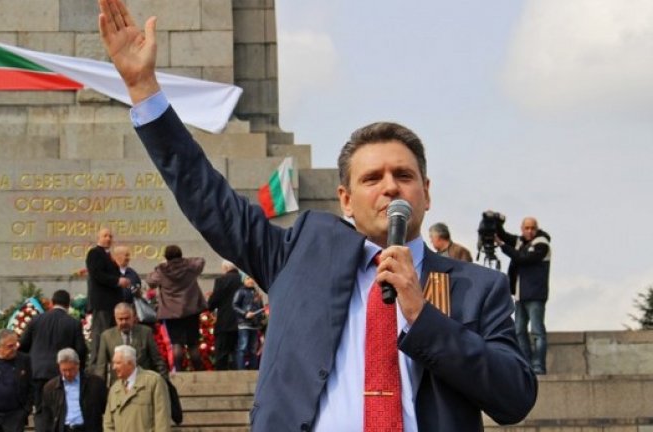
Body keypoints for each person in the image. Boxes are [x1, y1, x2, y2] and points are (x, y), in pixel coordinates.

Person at [97, 1, 538, 430]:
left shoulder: (477, 288)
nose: (390, 187)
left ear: (426, 193)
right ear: (345, 200)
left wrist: (422, 316)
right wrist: (144, 90)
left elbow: (514, 397)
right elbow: (207, 197)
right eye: (372, 178)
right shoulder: (300, 254)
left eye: (404, 176)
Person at [19, 290, 88, 432]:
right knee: (61, 410)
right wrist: (79, 371)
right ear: (68, 305)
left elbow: (23, 345)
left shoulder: (36, 320)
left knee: (41, 410)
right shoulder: (73, 323)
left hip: (38, 373)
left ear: (51, 302)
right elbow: (81, 350)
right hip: (62, 374)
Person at [496, 216, 552, 375]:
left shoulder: (542, 244)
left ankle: (538, 366)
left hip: (535, 295)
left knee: (537, 331)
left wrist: (502, 246)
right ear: (522, 229)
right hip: (520, 295)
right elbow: (504, 235)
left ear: (537, 229)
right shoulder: (521, 242)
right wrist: (497, 222)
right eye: (526, 228)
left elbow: (523, 258)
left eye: (532, 228)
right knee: (519, 330)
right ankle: (526, 364)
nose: (529, 231)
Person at [147, 245, 206, 372]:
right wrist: (184, 260)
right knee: (193, 344)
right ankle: (199, 371)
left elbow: (150, 281)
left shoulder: (162, 271)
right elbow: (201, 261)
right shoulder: (189, 267)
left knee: (176, 344)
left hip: (171, 313)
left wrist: (161, 265)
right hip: (191, 311)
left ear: (166, 257)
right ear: (180, 254)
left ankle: (179, 372)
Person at [86, 228, 131, 366]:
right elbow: (97, 274)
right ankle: (96, 366)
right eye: (105, 236)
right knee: (101, 335)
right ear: (98, 238)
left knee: (112, 335)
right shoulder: (94, 253)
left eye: (110, 236)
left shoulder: (108, 255)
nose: (108, 238)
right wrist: (117, 281)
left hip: (112, 304)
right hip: (102, 303)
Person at [95, 303, 168, 385]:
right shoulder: (106, 336)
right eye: (120, 319)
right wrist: (99, 388)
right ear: (115, 318)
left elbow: (157, 360)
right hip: (118, 385)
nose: (124, 322)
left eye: (127, 318)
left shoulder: (146, 332)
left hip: (143, 384)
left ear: (133, 317)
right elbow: (101, 367)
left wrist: (164, 382)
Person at [103, 345, 170, 432]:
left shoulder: (154, 382)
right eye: (113, 363)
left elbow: (162, 421)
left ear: (130, 363)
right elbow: (108, 424)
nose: (114, 367)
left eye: (118, 363)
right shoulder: (114, 389)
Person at [41, 348, 107, 432]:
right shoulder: (50, 387)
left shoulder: (95, 383)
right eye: (64, 370)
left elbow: (104, 407)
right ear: (59, 367)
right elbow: (47, 417)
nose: (68, 374)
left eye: (71, 370)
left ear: (78, 365)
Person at [207, 260, 242, 370]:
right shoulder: (243, 280)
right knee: (239, 352)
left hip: (225, 321)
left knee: (222, 352)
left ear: (226, 268)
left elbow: (214, 301)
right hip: (243, 322)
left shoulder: (221, 280)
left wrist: (209, 306)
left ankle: (221, 374)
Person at [231, 276, 265, 370]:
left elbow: (260, 306)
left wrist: (261, 315)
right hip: (244, 324)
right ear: (244, 280)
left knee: (253, 348)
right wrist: (245, 313)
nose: (251, 281)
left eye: (252, 278)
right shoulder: (240, 291)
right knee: (243, 346)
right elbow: (235, 305)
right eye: (248, 278)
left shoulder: (256, 293)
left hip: (255, 324)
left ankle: (253, 368)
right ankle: (241, 369)